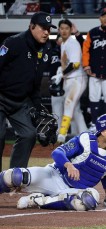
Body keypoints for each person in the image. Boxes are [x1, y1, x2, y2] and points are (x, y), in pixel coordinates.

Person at [0, 113, 106, 211]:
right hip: (53, 176)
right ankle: (42, 198)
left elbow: (105, 171)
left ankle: (37, 200)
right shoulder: (85, 140)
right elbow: (57, 152)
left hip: (73, 191)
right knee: (14, 176)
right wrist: (68, 165)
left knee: (88, 200)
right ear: (104, 131)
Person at [0, 12, 56, 170]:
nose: (46, 32)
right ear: (32, 26)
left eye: (49, 29)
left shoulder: (46, 50)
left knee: (28, 134)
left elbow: (35, 84)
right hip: (1, 97)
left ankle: (15, 177)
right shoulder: (14, 42)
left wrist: (38, 108)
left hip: (20, 102)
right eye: (43, 28)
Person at [52, 19, 88, 144]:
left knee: (68, 103)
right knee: (75, 109)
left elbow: (76, 64)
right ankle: (85, 134)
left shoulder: (72, 43)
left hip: (78, 78)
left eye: (66, 28)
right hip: (70, 79)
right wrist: (61, 73)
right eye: (62, 28)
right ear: (58, 30)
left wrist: (61, 74)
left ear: (70, 30)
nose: (64, 30)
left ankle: (61, 134)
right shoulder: (63, 43)